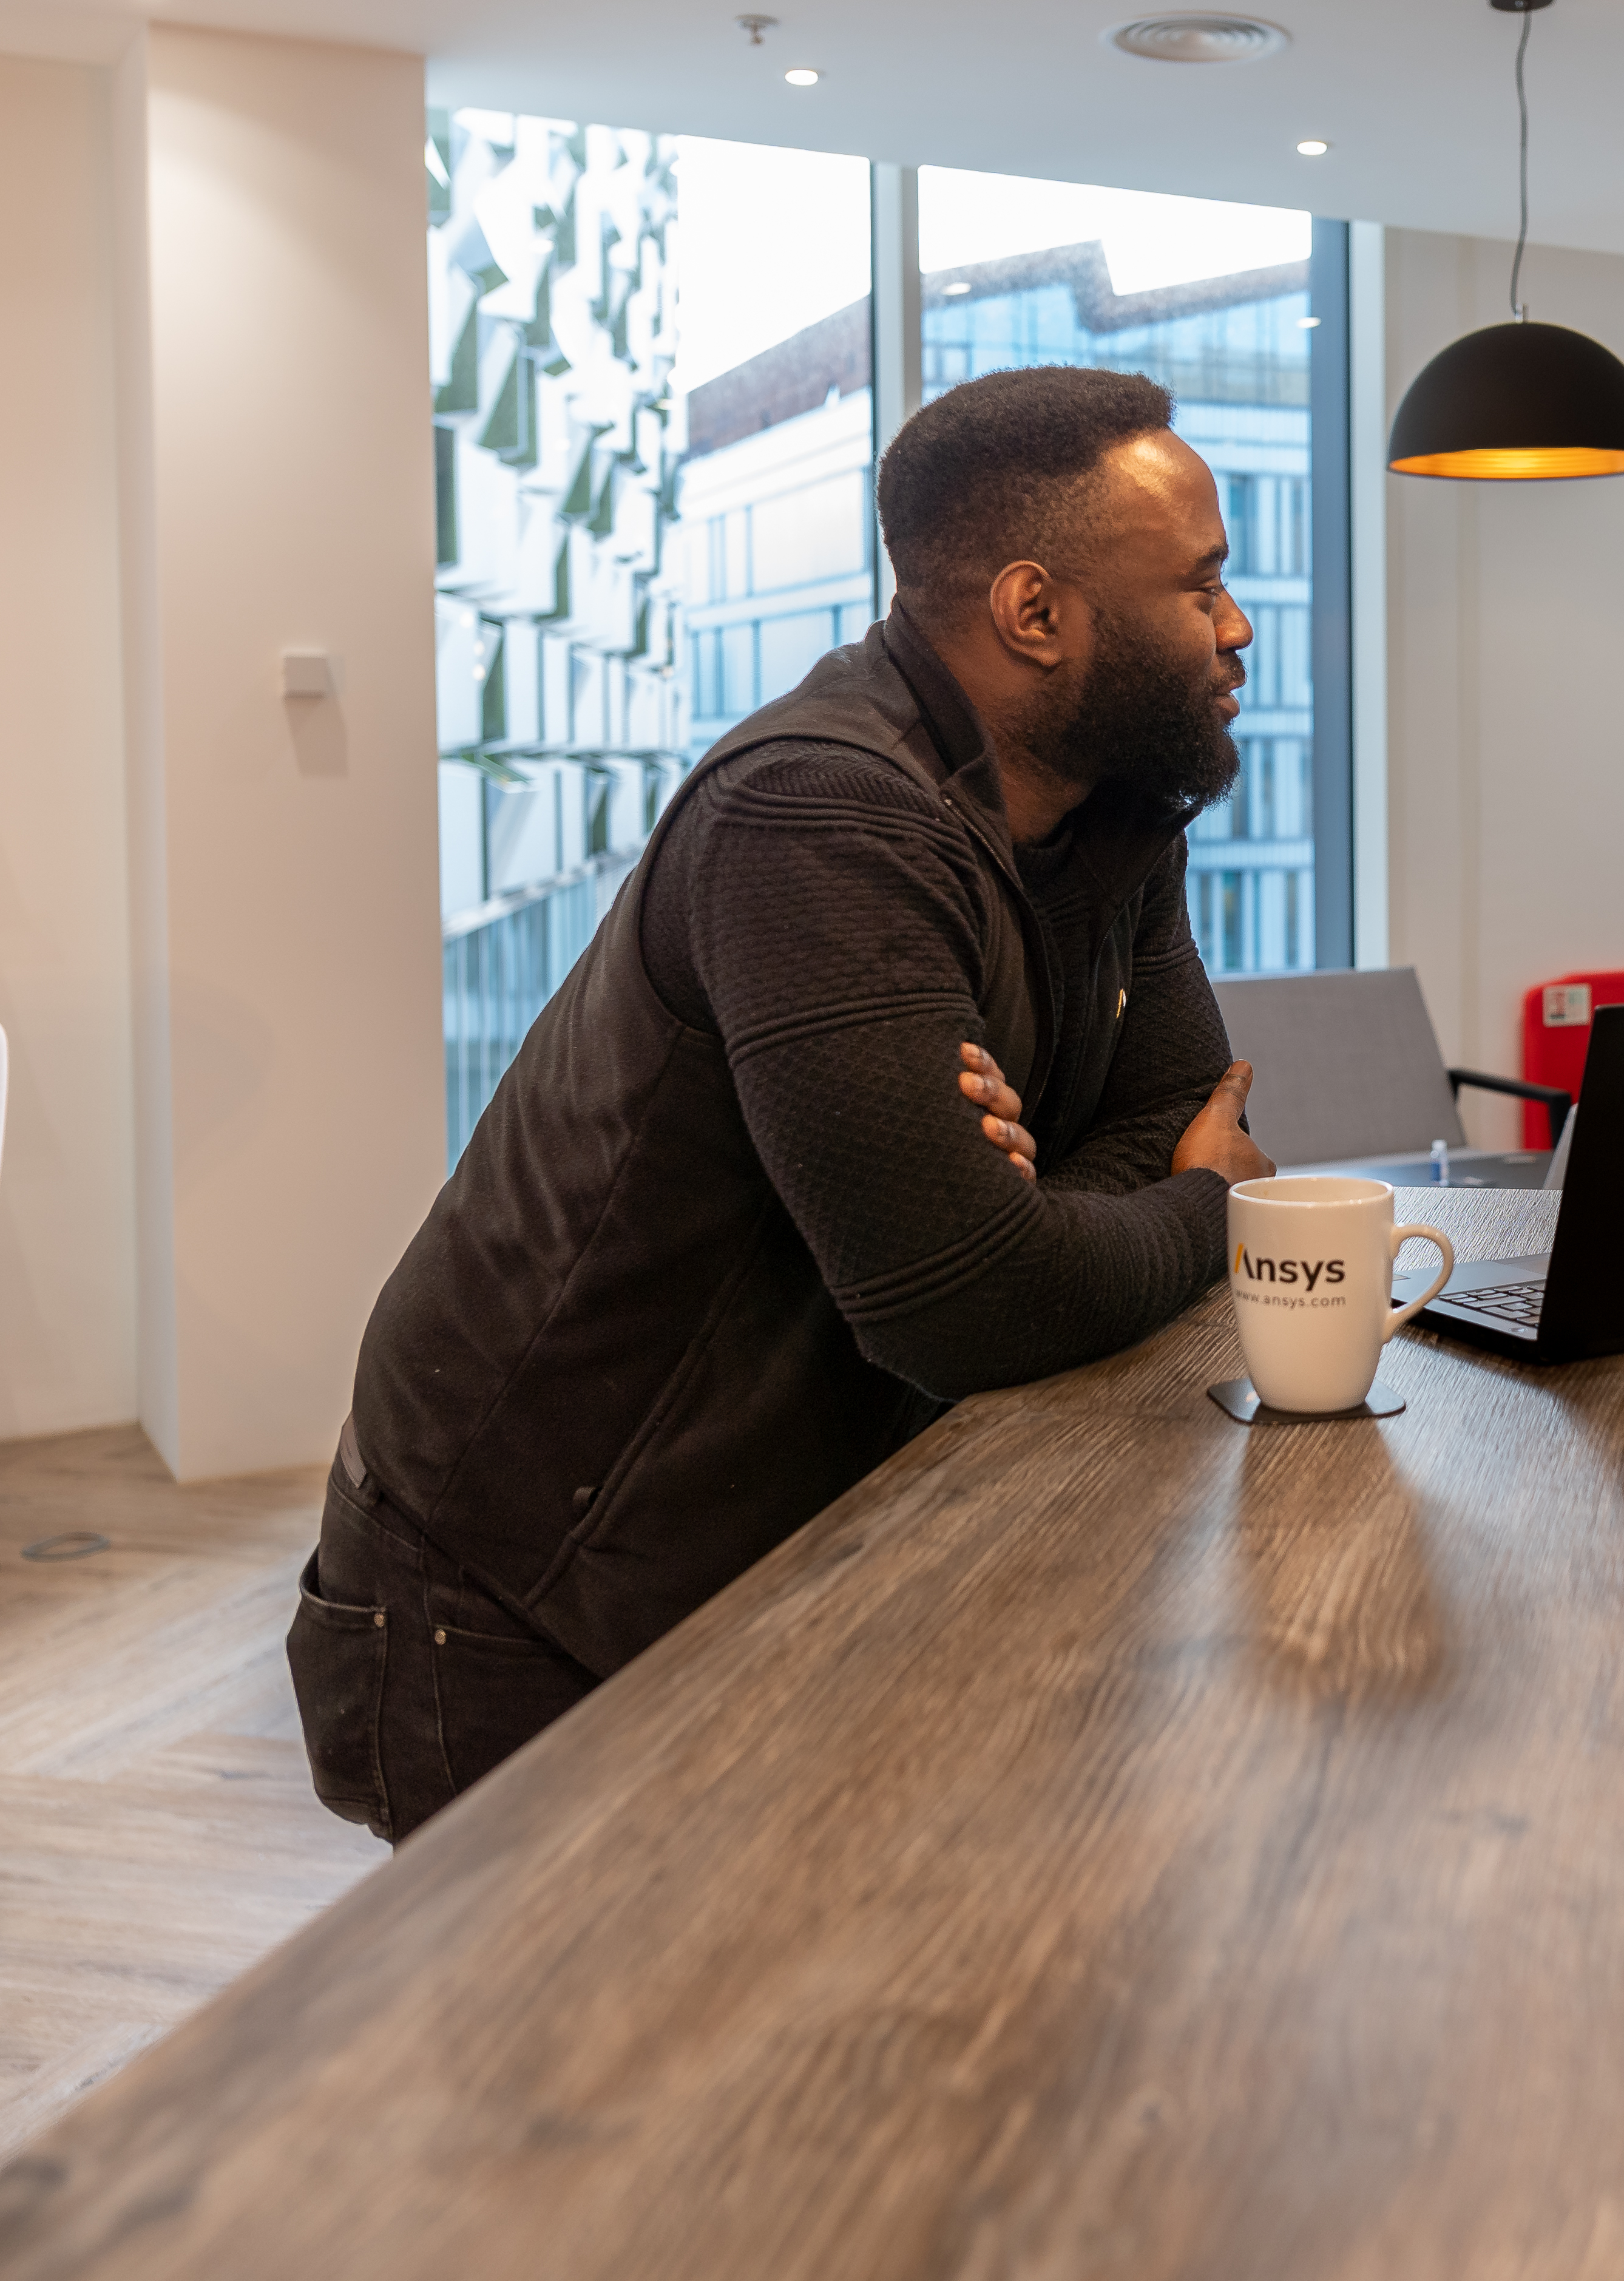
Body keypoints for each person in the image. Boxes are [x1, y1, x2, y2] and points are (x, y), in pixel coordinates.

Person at [289, 366, 1275, 1841]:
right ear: (1034, 610)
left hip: (767, 1543)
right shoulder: (817, 816)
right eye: (1201, 584)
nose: (1237, 624)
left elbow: (1161, 1110)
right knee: (577, 2069)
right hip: (516, 1595)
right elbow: (970, 1303)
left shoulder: (1112, 809)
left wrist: (1028, 1216)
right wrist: (1201, 1201)